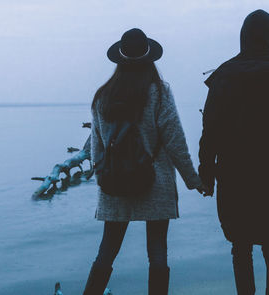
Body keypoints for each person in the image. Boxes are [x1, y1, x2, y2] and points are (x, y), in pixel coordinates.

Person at [198, 10, 269, 295]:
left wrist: (207, 173)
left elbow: (209, 131)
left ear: (244, 37)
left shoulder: (224, 77)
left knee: (240, 248)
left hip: (234, 177)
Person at [84, 28, 205, 295]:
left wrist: (107, 179)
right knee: (158, 253)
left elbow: (96, 151)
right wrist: (193, 180)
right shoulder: (159, 92)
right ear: (150, 59)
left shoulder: (102, 96)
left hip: (114, 186)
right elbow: (174, 139)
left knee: (106, 252)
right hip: (155, 183)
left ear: (119, 60)